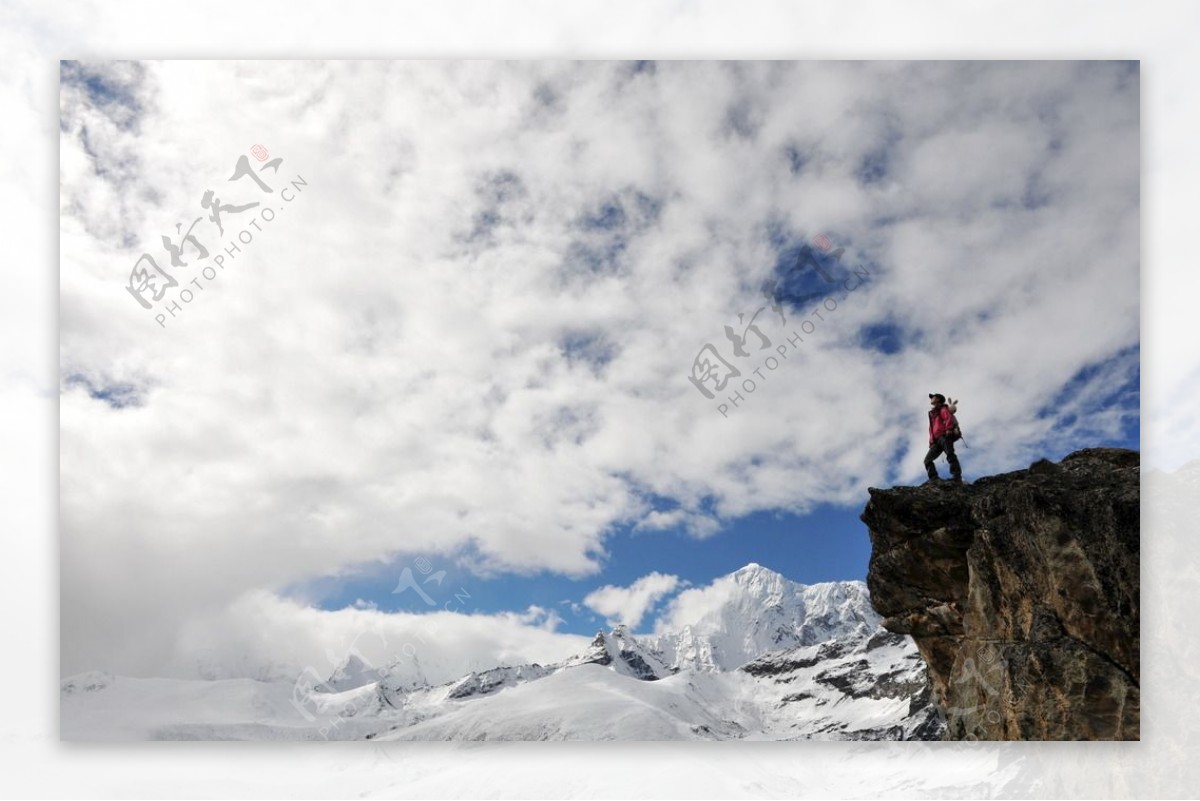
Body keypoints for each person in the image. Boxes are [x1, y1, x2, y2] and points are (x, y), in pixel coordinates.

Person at [924, 393, 962, 483]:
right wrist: (931, 442)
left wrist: (949, 429)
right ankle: (934, 479)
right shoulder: (933, 413)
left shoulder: (942, 409)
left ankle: (957, 477)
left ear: (938, 399)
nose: (931, 398)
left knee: (950, 454)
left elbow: (948, 417)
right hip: (935, 441)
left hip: (944, 436)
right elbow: (931, 429)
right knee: (927, 460)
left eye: (933, 397)